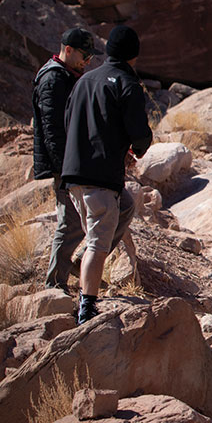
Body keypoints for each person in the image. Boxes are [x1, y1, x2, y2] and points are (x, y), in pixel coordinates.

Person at [32, 28, 136, 292]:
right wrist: (64, 170)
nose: (88, 61)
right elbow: (52, 131)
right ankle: (54, 285)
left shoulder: (72, 76)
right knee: (69, 225)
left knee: (123, 207)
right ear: (68, 50)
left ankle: (89, 262)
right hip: (68, 166)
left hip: (84, 163)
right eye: (84, 55)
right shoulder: (53, 80)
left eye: (91, 57)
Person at [61, 25, 152, 323]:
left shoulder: (85, 80)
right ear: (134, 56)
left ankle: (83, 261)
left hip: (74, 174)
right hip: (100, 179)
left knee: (126, 206)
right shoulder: (126, 83)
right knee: (98, 245)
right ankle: (86, 309)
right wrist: (135, 150)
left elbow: (68, 120)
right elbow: (140, 136)